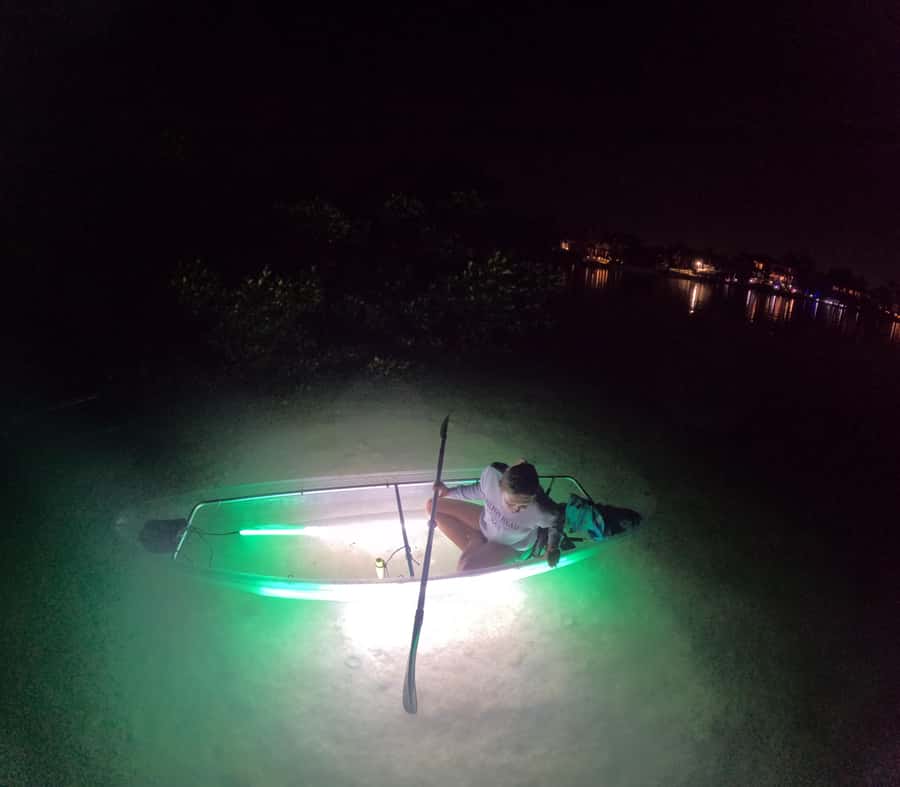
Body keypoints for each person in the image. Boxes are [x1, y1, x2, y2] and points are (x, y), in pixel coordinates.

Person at [426, 460, 563, 572]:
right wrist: (449, 491)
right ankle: (479, 545)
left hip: (509, 545)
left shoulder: (542, 510)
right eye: (511, 503)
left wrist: (552, 547)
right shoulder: (492, 474)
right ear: (500, 486)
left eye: (523, 506)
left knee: (465, 569)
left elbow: (556, 522)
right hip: (486, 522)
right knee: (432, 506)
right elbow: (480, 490)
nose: (516, 509)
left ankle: (475, 540)